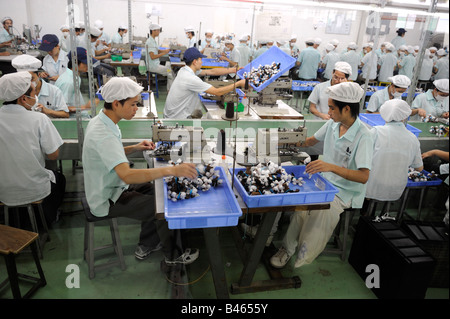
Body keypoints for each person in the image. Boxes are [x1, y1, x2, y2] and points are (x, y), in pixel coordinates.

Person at [82, 76, 199, 264]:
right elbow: (127, 175)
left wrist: (135, 147)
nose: (136, 108)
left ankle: (147, 244)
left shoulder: (102, 121)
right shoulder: (103, 134)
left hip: (111, 186)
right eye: (133, 104)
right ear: (116, 104)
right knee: (162, 208)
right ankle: (174, 256)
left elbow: (111, 155)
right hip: (106, 198)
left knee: (158, 192)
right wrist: (172, 171)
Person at [270, 82, 374, 269]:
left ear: (347, 108)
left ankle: (304, 251)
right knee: (301, 206)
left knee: (320, 210)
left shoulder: (363, 136)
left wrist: (330, 167)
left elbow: (363, 176)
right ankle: (287, 248)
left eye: (332, 108)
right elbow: (309, 141)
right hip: (324, 180)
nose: (329, 112)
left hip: (345, 191)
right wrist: (280, 140)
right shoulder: (333, 124)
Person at [0, 71, 66, 226]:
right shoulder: (39, 119)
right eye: (34, 93)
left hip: (2, 190)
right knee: (60, 179)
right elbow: (53, 155)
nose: (35, 97)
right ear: (23, 99)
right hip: (33, 189)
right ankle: (47, 217)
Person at [364, 99, 423, 213]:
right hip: (395, 189)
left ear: (384, 115)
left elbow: (361, 157)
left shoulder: (375, 132)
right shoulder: (412, 138)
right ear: (405, 116)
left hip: (372, 186)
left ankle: (363, 217)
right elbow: (419, 168)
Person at [164, 47, 245, 119]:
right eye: (201, 60)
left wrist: (232, 70)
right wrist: (238, 84)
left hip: (171, 115)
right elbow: (217, 92)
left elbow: (211, 71)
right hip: (177, 119)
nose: (202, 62)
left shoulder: (184, 70)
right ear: (195, 62)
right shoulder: (190, 78)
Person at [54, 47, 99, 118]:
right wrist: (85, 107)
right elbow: (62, 109)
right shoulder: (68, 82)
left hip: (81, 115)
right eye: (85, 63)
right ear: (75, 62)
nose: (88, 65)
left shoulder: (74, 77)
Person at [145, 23, 174, 92]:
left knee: (170, 70)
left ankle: (170, 90)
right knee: (170, 73)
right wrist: (163, 53)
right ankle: (170, 91)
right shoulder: (150, 42)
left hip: (155, 64)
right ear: (153, 31)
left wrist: (165, 51)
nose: (159, 32)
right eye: (157, 30)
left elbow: (157, 50)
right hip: (153, 66)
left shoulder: (153, 40)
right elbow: (152, 56)